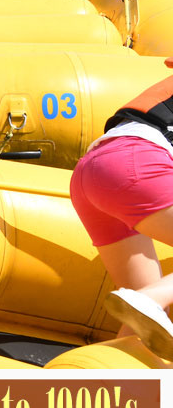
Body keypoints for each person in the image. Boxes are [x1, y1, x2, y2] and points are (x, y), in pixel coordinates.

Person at [69, 62, 173, 359]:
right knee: (151, 301)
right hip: (137, 165)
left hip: (95, 171)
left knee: (143, 331)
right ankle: (152, 298)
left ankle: (89, 376)